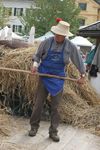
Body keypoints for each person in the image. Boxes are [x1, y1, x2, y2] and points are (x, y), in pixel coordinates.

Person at [29, 20, 86, 142]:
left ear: (65, 35)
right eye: (57, 34)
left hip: (58, 79)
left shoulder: (70, 46)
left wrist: (82, 75)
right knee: (38, 104)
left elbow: (78, 61)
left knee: (56, 108)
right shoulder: (46, 42)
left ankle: (53, 132)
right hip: (44, 76)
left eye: (61, 35)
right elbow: (37, 55)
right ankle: (34, 127)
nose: (58, 36)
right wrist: (35, 65)